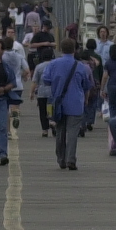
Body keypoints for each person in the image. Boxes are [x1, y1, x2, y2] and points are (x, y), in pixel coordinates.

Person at [38, 40, 95, 170]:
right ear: (74, 50)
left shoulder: (53, 64)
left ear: (61, 49)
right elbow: (87, 85)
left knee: (60, 131)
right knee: (72, 133)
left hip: (58, 103)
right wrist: (85, 99)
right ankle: (71, 159)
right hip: (76, 103)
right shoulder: (80, 66)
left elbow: (46, 80)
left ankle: (61, 158)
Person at [2, 34, 28, 130]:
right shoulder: (19, 56)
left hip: (5, 85)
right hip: (17, 84)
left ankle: (8, 130)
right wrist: (22, 76)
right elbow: (26, 70)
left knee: (5, 108)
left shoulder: (1, 57)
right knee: (15, 106)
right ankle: (15, 118)